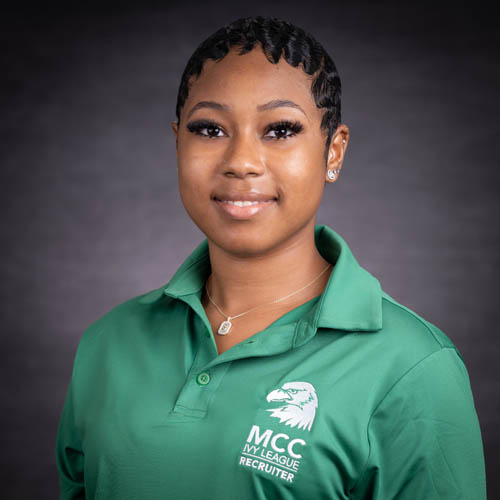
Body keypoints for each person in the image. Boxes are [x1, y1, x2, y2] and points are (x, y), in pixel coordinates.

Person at [56, 15, 487, 499]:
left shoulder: (414, 367)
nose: (241, 162)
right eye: (210, 129)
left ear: (333, 152)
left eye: (280, 130)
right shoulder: (108, 343)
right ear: (177, 143)